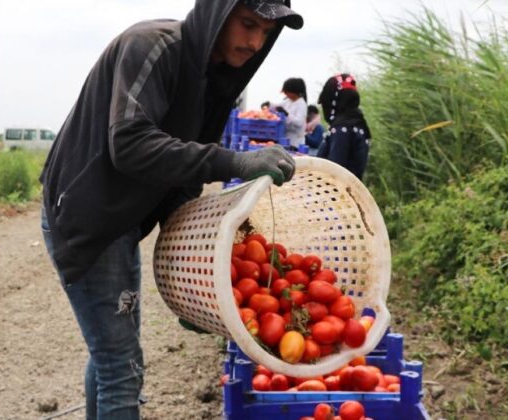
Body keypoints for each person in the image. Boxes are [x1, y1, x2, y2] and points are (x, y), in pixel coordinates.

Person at [39, 1, 303, 418]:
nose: (255, 42)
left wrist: (192, 280)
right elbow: (128, 143)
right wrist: (233, 161)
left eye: (266, 32)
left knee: (111, 350)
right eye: (248, 24)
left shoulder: (216, 79)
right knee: (122, 367)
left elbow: (182, 175)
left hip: (120, 216)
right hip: (89, 212)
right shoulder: (152, 47)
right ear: (219, 12)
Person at [317, 73, 372, 179]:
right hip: (350, 192)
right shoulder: (358, 123)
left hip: (338, 193)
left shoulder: (342, 130)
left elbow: (335, 172)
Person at [276, 77, 308, 149]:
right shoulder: (288, 101)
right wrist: (268, 105)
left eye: (287, 92)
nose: (286, 95)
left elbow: (299, 122)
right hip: (285, 141)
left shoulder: (301, 104)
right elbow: (277, 106)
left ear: (294, 91)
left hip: (295, 143)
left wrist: (287, 114)